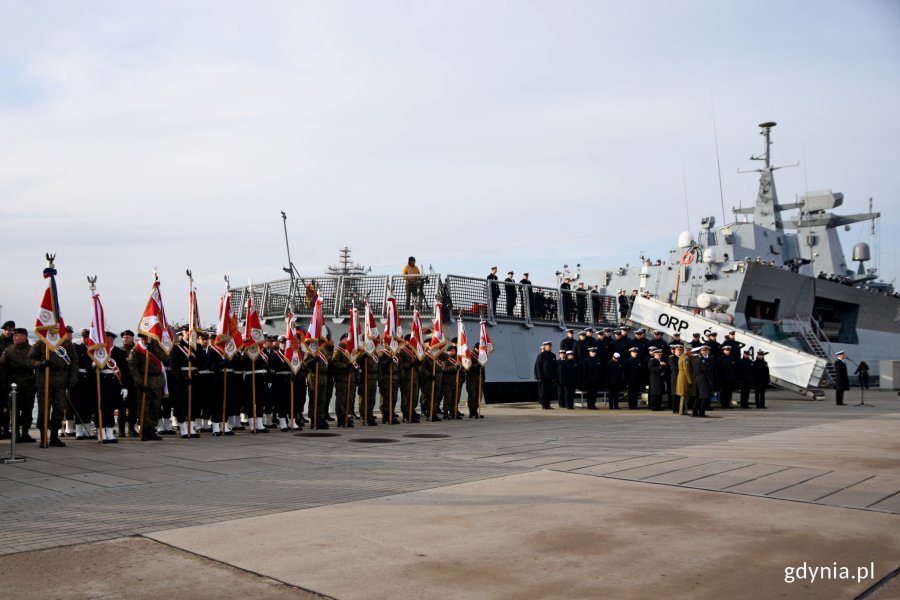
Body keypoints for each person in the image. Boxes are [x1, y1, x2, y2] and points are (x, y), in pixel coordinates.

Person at [127, 332, 168, 441]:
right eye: (143, 338)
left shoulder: (156, 346)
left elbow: (165, 358)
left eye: (147, 338)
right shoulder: (136, 349)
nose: (145, 340)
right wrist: (139, 382)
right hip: (145, 380)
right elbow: (132, 367)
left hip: (157, 381)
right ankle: (144, 430)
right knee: (144, 407)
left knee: (155, 406)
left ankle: (151, 429)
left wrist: (153, 350)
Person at [0, 327, 37, 442]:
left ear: (25, 337)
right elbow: (2, 369)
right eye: (15, 336)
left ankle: (25, 433)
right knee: (13, 412)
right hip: (13, 386)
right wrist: (3, 386)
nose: (16, 338)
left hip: (29, 385)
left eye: (19, 336)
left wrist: (35, 384)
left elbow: (37, 367)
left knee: (27, 411)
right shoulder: (8, 351)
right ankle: (15, 434)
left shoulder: (32, 350)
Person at [691, 346, 715, 417]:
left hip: (696, 379)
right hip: (703, 379)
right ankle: (701, 412)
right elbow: (705, 370)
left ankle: (695, 412)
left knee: (698, 397)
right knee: (704, 396)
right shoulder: (700, 359)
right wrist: (709, 380)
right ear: (699, 352)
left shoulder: (692, 359)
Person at [676, 343, 695, 415]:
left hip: (681, 377)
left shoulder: (682, 356)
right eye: (690, 350)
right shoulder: (685, 358)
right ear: (687, 350)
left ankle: (684, 410)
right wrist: (690, 381)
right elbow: (686, 370)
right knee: (683, 396)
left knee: (683, 395)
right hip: (684, 378)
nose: (691, 352)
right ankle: (682, 411)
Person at [667, 344, 683, 413]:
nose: (679, 351)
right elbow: (674, 369)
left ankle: (681, 408)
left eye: (681, 350)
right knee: (675, 394)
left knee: (681, 393)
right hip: (675, 377)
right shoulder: (672, 358)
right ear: (675, 350)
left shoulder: (683, 357)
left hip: (682, 377)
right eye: (678, 350)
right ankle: (675, 409)